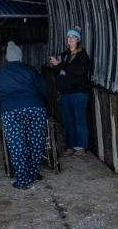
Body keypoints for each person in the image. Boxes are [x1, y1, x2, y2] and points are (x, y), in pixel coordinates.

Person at [0, 41, 48, 190]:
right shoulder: (30, 70)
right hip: (35, 107)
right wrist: (42, 103)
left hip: (11, 110)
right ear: (20, 57)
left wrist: (3, 105)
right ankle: (34, 173)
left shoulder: (0, 73)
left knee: (17, 145)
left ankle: (22, 181)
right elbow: (43, 88)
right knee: (35, 141)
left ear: (7, 58)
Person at [48, 27, 92, 158]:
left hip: (78, 93)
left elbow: (79, 71)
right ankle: (71, 146)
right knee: (68, 121)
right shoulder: (64, 55)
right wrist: (55, 64)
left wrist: (60, 65)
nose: (70, 39)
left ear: (78, 40)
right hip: (64, 94)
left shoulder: (82, 56)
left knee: (79, 120)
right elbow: (59, 72)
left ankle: (80, 147)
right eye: (69, 37)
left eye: (73, 38)